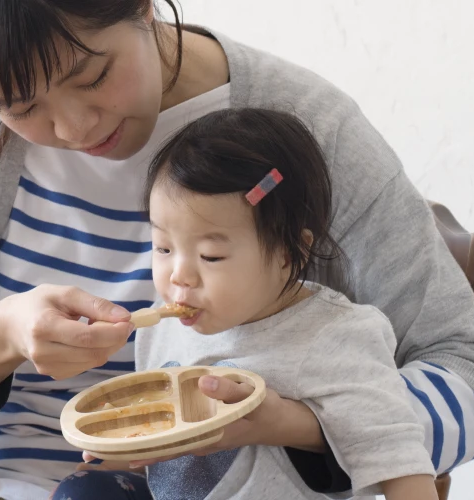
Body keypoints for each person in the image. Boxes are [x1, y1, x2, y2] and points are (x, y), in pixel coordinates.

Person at [0, 1, 474, 499]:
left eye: (92, 75)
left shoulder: (305, 133)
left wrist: (305, 426)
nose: (71, 126)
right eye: (19, 106)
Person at [95, 107, 433, 500]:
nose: (179, 276)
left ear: (290, 253)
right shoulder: (164, 329)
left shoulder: (337, 336)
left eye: (211, 256)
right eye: (163, 247)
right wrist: (118, 446)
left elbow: (399, 460)